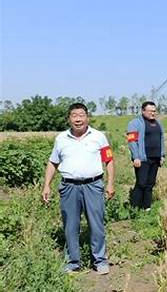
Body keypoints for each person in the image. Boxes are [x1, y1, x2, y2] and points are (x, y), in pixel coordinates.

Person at [42, 103, 114, 274]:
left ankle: (100, 260)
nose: (78, 119)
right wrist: (46, 185)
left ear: (87, 117)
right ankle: (72, 262)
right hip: (69, 186)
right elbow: (53, 162)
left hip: (93, 185)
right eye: (74, 115)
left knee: (97, 224)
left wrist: (110, 183)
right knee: (70, 225)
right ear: (69, 118)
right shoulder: (61, 138)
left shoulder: (99, 137)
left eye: (81, 115)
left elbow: (109, 160)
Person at [127, 101, 165, 211]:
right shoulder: (135, 123)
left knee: (150, 183)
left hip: (155, 158)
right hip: (142, 158)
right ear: (143, 111)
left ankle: (146, 206)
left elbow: (161, 139)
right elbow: (132, 141)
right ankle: (135, 207)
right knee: (141, 183)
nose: (153, 113)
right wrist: (136, 157)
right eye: (150, 111)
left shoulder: (158, 124)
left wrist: (162, 155)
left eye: (154, 111)